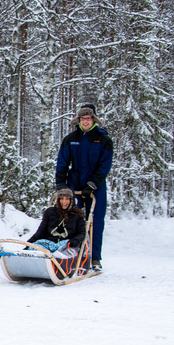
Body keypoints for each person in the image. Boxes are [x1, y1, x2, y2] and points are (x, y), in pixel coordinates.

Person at [55, 103, 113, 270]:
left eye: (88, 118)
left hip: (96, 186)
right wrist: (61, 184)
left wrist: (92, 184)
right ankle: (72, 255)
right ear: (78, 120)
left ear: (93, 119)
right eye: (82, 118)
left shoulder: (104, 140)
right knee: (70, 219)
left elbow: (104, 166)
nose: (85, 121)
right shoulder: (71, 139)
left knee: (95, 221)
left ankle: (94, 258)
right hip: (75, 185)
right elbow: (62, 163)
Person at [27, 188, 86, 252]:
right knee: (35, 248)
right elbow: (41, 231)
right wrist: (29, 243)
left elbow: (81, 233)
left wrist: (75, 240)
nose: (64, 202)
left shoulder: (78, 215)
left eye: (67, 199)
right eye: (61, 198)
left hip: (67, 244)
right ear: (58, 200)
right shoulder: (50, 212)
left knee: (58, 252)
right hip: (49, 242)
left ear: (71, 201)